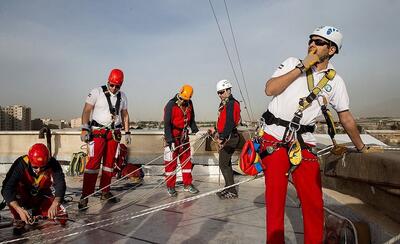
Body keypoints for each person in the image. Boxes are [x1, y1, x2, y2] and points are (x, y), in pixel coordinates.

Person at [262, 26, 371, 243]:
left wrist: (362, 148)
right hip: (274, 137)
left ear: (331, 50)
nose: (312, 44)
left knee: (313, 203)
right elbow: (270, 89)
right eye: (311, 40)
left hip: (304, 143)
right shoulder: (293, 62)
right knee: (275, 202)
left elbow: (346, 117)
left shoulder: (335, 82)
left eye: (319, 42)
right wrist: (302, 67)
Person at [79, 68, 131, 210]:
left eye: (117, 86)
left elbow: (125, 115)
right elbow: (86, 111)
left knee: (109, 164)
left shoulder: (123, 96)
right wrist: (85, 128)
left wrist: (127, 132)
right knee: (93, 164)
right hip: (98, 132)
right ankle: (85, 195)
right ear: (108, 81)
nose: (114, 88)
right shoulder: (97, 92)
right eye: (112, 85)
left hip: (114, 133)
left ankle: (105, 191)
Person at [1, 143, 67, 235]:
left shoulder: (53, 163)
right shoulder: (20, 164)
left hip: (41, 195)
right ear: (30, 161)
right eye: (35, 167)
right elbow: (6, 188)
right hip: (22, 196)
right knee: (16, 206)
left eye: (42, 167)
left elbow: (60, 183)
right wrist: (18, 209)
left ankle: (37, 213)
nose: (39, 170)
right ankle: (19, 216)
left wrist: (56, 203)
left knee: (62, 216)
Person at [163, 84, 199, 197]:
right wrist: (170, 141)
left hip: (184, 138)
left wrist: (195, 130)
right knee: (171, 164)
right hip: (172, 137)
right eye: (183, 99)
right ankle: (170, 186)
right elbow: (167, 124)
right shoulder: (170, 105)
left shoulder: (189, 104)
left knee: (186, 161)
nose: (184, 101)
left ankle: (187, 184)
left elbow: (192, 119)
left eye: (186, 100)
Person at [213, 80, 241, 199]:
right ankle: (229, 188)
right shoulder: (224, 104)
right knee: (226, 163)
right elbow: (222, 120)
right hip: (226, 137)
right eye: (218, 93)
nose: (219, 95)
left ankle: (232, 190)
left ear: (228, 90)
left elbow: (230, 122)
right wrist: (214, 130)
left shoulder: (231, 103)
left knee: (223, 164)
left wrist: (223, 137)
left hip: (230, 138)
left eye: (221, 92)